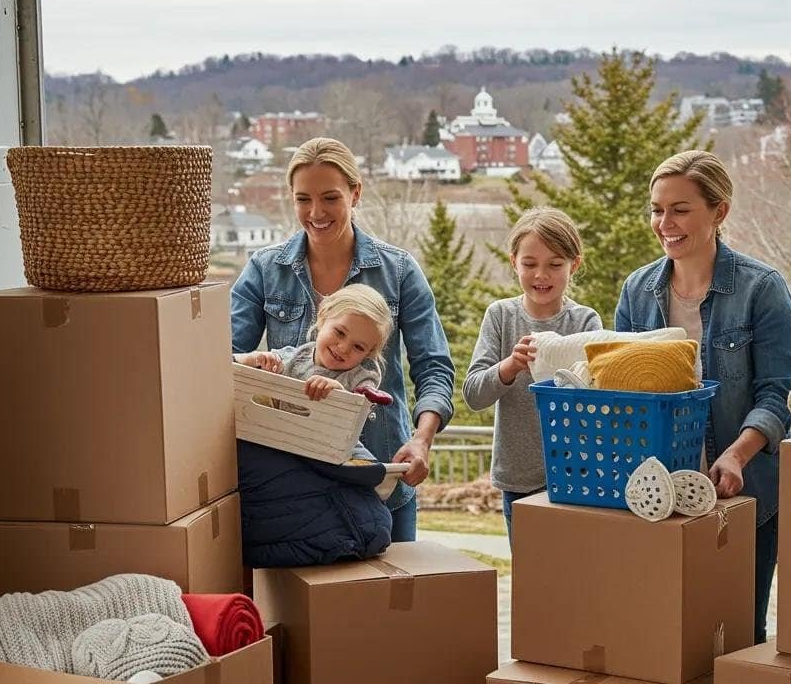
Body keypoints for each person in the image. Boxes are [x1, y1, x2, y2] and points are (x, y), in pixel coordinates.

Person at [230, 137, 454, 542]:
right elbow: (220, 359)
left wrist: (422, 440)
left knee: (390, 599)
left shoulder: (399, 271)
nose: (316, 212)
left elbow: (433, 366)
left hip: (382, 475)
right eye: (304, 199)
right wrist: (252, 362)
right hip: (290, 482)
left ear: (356, 193)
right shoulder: (264, 269)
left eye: (330, 197)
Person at [615, 150, 791, 643]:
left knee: (738, 630)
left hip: (743, 495)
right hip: (657, 494)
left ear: (719, 212)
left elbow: (779, 392)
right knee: (662, 633)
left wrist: (736, 455)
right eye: (656, 209)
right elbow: (618, 387)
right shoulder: (637, 291)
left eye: (680, 209)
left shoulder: (762, 289)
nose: (664, 223)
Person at [463, 207, 602, 543]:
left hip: (577, 474)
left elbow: (598, 399)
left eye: (555, 264)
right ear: (514, 263)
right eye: (530, 264)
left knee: (577, 574)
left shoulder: (585, 322)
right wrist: (509, 367)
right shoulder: (499, 316)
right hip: (518, 479)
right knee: (531, 577)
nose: (542, 275)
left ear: (575, 265)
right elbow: (473, 394)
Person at [234, 284, 393, 406]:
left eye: (358, 347)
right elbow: (232, 363)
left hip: (334, 443)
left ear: (369, 353)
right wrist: (256, 360)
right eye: (340, 332)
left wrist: (338, 392)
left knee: (360, 451)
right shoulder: (294, 357)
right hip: (280, 437)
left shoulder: (360, 377)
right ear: (323, 318)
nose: (344, 348)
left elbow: (362, 403)